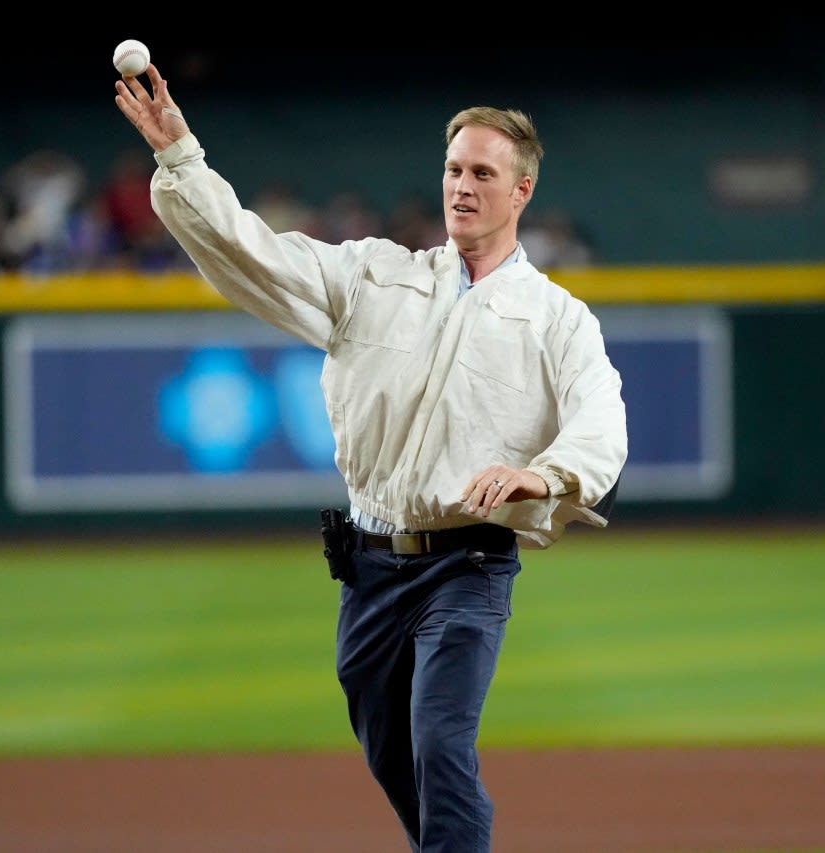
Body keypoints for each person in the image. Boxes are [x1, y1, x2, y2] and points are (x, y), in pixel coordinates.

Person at [114, 62, 628, 853]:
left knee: (439, 743)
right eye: (454, 168)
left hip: (469, 562)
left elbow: (601, 421)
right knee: (397, 759)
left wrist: (545, 473)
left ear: (521, 191)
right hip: (370, 567)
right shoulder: (377, 275)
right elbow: (252, 253)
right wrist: (181, 159)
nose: (463, 185)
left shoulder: (556, 318)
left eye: (483, 173)